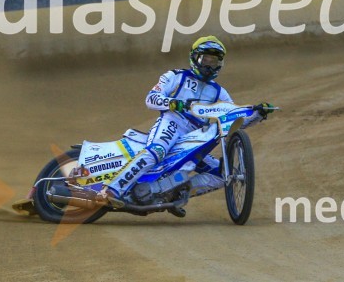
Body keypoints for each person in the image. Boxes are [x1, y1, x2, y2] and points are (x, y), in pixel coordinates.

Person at [99, 36, 272, 210]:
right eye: (205, 60)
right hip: (173, 122)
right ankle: (111, 190)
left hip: (195, 137)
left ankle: (174, 192)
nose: (209, 65)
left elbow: (234, 121)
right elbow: (151, 98)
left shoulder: (219, 91)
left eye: (214, 61)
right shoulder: (175, 76)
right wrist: (175, 103)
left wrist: (258, 114)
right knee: (157, 151)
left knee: (224, 174)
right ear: (195, 58)